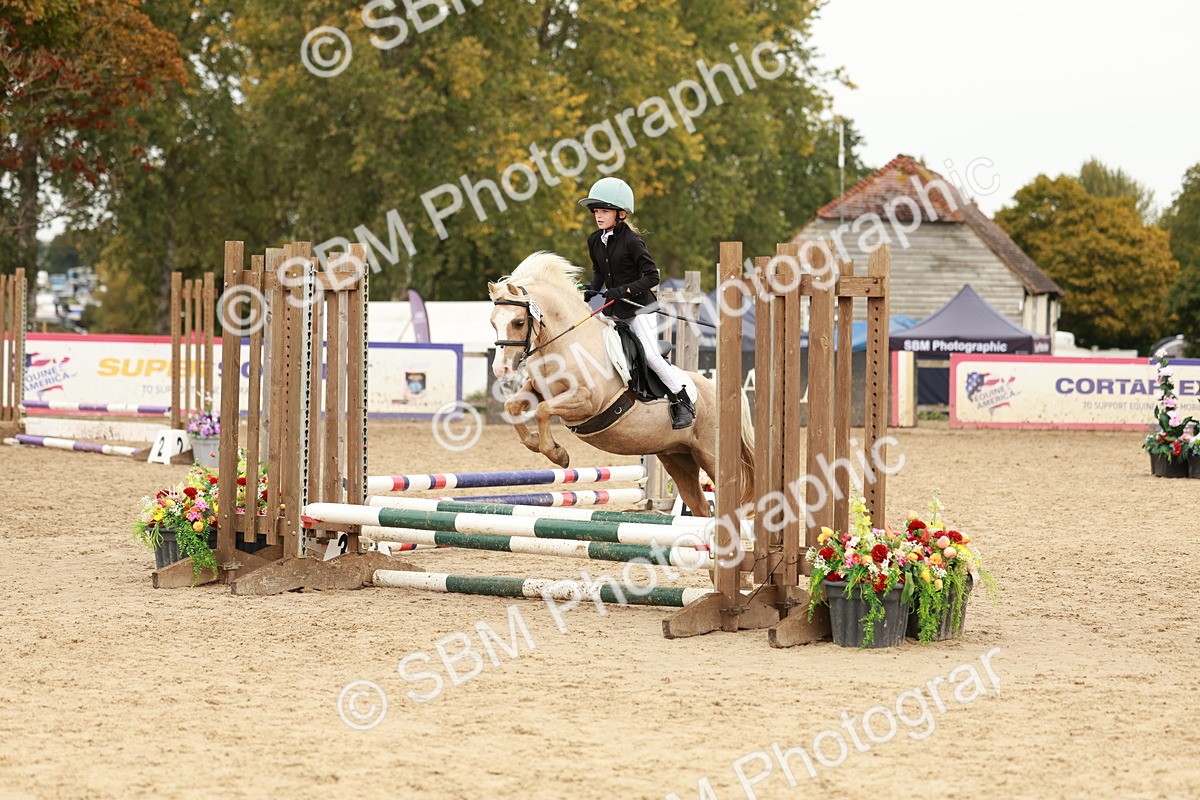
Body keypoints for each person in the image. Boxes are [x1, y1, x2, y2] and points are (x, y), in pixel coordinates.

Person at [577, 177, 694, 429]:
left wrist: (624, 289)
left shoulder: (632, 240)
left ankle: (682, 400)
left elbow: (652, 276)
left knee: (651, 355)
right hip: (615, 308)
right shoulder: (594, 240)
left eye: (604, 211)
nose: (598, 216)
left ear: (620, 213)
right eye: (595, 211)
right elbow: (599, 272)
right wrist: (592, 289)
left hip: (640, 308)